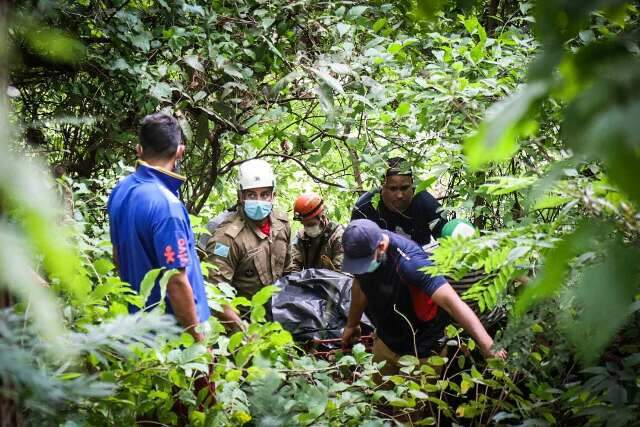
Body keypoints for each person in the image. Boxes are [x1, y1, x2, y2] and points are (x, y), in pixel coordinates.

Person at [341, 219, 506, 377]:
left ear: (381, 247)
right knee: (380, 400)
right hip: (386, 341)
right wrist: (352, 324)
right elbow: (359, 282)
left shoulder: (412, 263)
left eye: (364, 264)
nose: (362, 270)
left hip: (421, 349)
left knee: (413, 406)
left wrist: (487, 345)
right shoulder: (364, 246)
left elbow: (452, 303)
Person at [107, 113, 210, 342]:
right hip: (173, 340)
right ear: (180, 151)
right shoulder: (167, 207)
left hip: (140, 328)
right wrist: (198, 341)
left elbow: (118, 257)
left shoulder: (120, 190)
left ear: (138, 149)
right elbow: (176, 281)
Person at [204, 159, 292, 329]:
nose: (259, 201)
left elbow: (288, 273)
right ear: (241, 197)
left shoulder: (282, 225)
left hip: (278, 320)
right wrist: (245, 333)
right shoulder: (227, 239)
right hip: (241, 325)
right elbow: (216, 295)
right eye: (252, 195)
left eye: (264, 194)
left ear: (273, 195)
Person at [351, 157, 447, 246]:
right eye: (393, 189)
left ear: (412, 185)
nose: (400, 195)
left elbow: (447, 241)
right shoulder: (364, 209)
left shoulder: (426, 203)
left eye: (404, 188)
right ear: (382, 187)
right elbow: (354, 248)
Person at [290, 192, 344, 272]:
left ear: (321, 217)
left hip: (331, 282)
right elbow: (294, 265)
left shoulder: (337, 236)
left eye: (310, 224)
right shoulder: (301, 237)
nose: (307, 228)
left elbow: (341, 274)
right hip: (309, 282)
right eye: (304, 225)